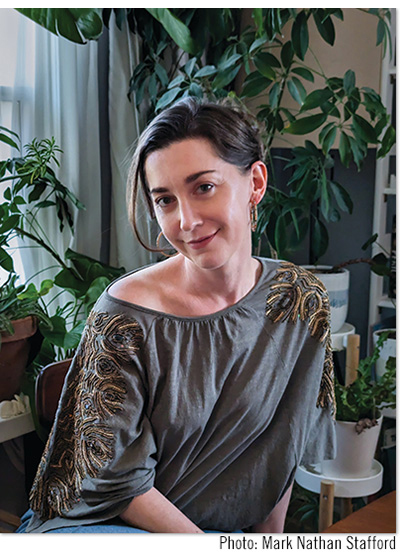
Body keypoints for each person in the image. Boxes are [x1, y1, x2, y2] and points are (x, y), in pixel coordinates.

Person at [18, 98, 336, 534]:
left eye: (204, 187)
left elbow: (283, 444)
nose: (186, 220)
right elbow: (112, 482)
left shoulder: (299, 299)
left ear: (255, 183)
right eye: (165, 200)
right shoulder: (124, 314)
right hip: (100, 526)